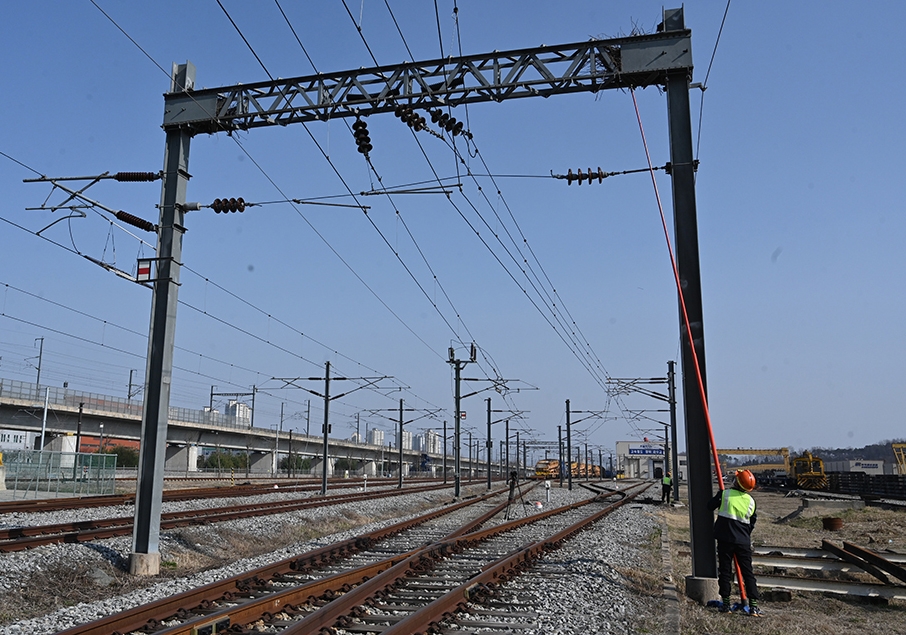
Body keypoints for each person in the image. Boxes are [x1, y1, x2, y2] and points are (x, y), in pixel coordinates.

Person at [707, 469, 760, 616]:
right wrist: (743, 535)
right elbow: (752, 522)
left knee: (725, 571)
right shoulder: (751, 501)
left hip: (725, 539)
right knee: (747, 572)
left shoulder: (725, 495)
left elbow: (709, 506)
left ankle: (726, 604)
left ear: (736, 481)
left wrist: (719, 495)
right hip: (743, 541)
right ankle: (753, 606)